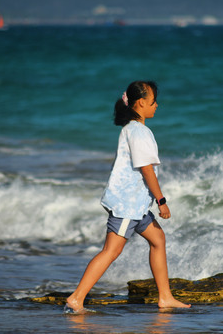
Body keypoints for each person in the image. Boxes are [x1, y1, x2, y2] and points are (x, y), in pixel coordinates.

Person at [65, 80, 191, 313]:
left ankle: (165, 297)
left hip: (138, 205)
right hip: (127, 204)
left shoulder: (132, 129)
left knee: (158, 240)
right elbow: (147, 170)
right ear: (141, 103)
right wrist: (162, 201)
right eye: (153, 102)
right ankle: (76, 298)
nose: (156, 106)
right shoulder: (139, 132)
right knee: (111, 251)